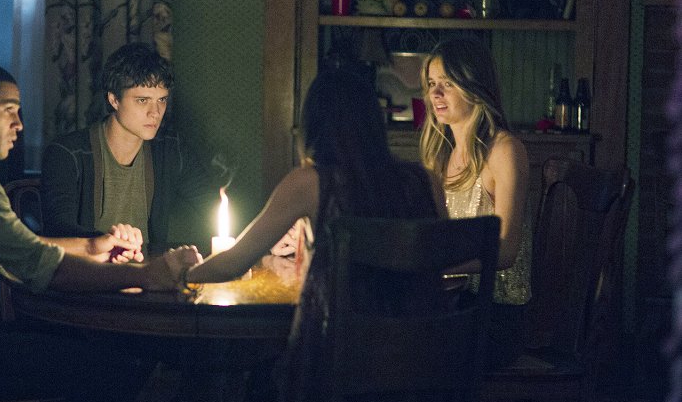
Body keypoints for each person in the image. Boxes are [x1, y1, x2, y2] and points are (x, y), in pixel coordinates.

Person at [0, 57, 200, 402]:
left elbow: (19, 247)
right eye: (10, 110)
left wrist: (93, 246)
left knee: (98, 359)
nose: (20, 125)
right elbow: (45, 269)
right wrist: (146, 275)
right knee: (111, 371)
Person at [185, 65, 445, 283]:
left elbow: (233, 264)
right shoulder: (426, 181)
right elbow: (443, 259)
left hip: (340, 329)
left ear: (312, 126)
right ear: (374, 123)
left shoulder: (309, 183)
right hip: (424, 329)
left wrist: (182, 275)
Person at [41, 42, 222, 253]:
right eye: (143, 100)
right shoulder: (66, 153)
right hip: (85, 271)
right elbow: (58, 232)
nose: (155, 112)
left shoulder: (170, 150)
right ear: (114, 100)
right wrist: (108, 243)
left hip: (147, 270)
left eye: (162, 100)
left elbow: (214, 205)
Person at [419, 36, 531, 368]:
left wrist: (433, 265)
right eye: (431, 84)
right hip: (454, 303)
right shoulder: (441, 155)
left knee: (406, 345)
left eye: (447, 83)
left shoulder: (504, 150)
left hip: (495, 315)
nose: (435, 94)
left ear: (475, 87)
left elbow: (506, 251)